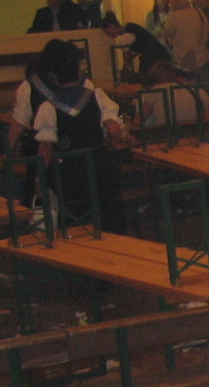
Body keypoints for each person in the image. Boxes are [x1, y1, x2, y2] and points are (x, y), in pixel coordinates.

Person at [31, 41, 128, 232]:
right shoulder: (97, 96)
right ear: (78, 71)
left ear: (53, 76)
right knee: (109, 215)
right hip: (99, 167)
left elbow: (46, 148)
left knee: (75, 222)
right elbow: (113, 130)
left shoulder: (49, 107)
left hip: (69, 173)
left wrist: (39, 178)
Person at [101, 12, 172, 77]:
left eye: (107, 32)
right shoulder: (130, 26)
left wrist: (124, 73)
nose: (108, 35)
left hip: (153, 58)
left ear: (111, 26)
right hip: (161, 54)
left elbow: (127, 59)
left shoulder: (124, 37)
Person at [161, 0, 209, 76]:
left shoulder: (173, 16)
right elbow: (206, 31)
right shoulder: (198, 11)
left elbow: (166, 33)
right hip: (201, 57)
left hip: (182, 59)